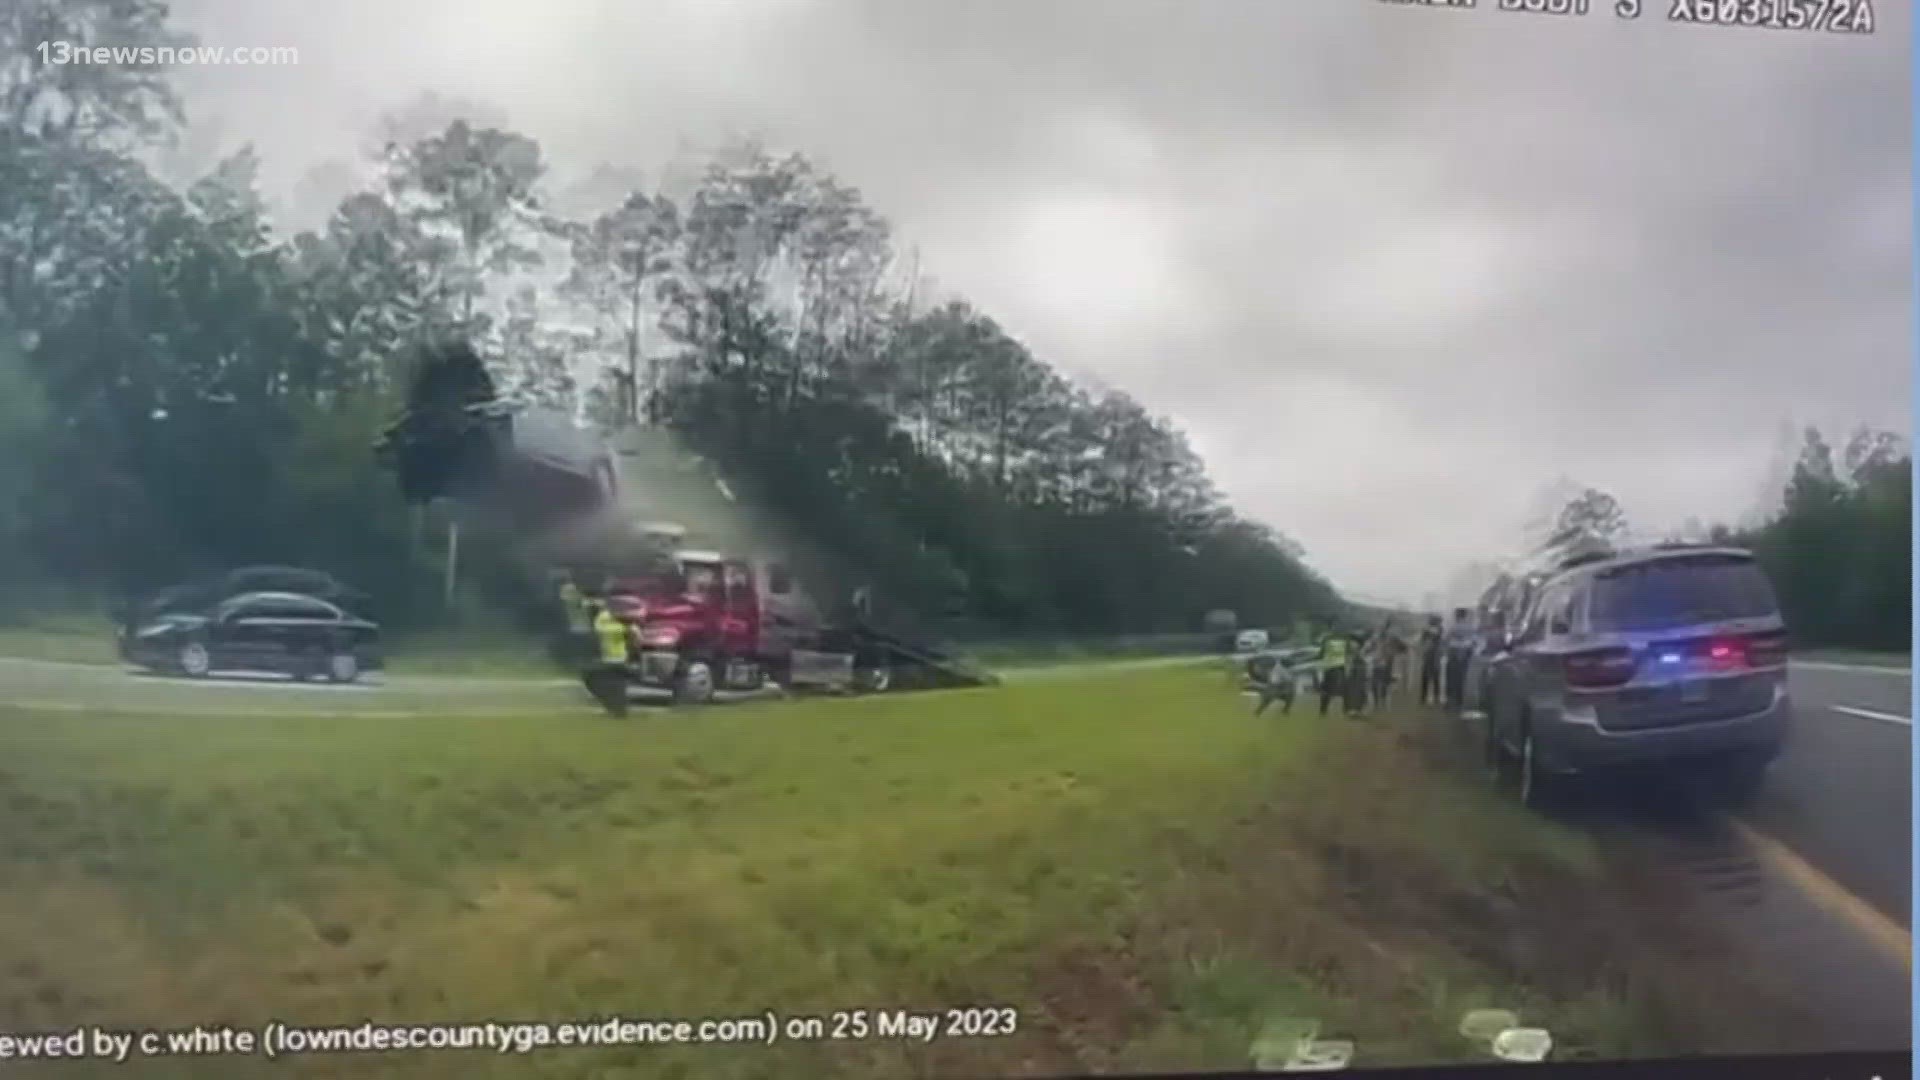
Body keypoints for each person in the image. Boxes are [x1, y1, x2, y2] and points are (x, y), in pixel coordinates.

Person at [582, 596, 634, 717]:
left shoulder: (604, 618)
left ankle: (617, 709)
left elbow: (603, 630)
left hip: (614, 659)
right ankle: (617, 709)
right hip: (615, 658)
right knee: (615, 685)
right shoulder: (606, 619)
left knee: (603, 682)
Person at [1444, 607, 1476, 713]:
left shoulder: (1452, 627)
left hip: (1453, 653)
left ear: (1457, 616)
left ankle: (1449, 702)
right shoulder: (1471, 627)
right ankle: (1459, 702)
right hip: (1465, 655)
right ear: (1465, 616)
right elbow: (1474, 642)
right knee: (1461, 679)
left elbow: (1446, 640)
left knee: (1450, 678)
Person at [1316, 629, 1350, 717]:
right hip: (1340, 667)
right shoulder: (1345, 639)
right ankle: (1346, 710)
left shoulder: (1327, 639)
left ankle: (1323, 710)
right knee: (1345, 690)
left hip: (1329, 667)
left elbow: (1321, 654)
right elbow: (1348, 653)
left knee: (1325, 690)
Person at [1252, 651, 1296, 716]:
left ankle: (1285, 710)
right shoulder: (1280, 668)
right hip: (1275, 685)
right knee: (1269, 699)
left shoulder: (1280, 666)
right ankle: (1258, 712)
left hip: (1278, 685)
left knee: (1289, 696)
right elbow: (1287, 679)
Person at [1418, 614, 1444, 706]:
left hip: (1431, 655)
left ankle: (1425, 697)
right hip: (1432, 655)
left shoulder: (1435, 629)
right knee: (1433, 677)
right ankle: (1429, 697)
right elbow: (1423, 640)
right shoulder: (1436, 629)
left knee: (1430, 677)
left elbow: (1424, 640)